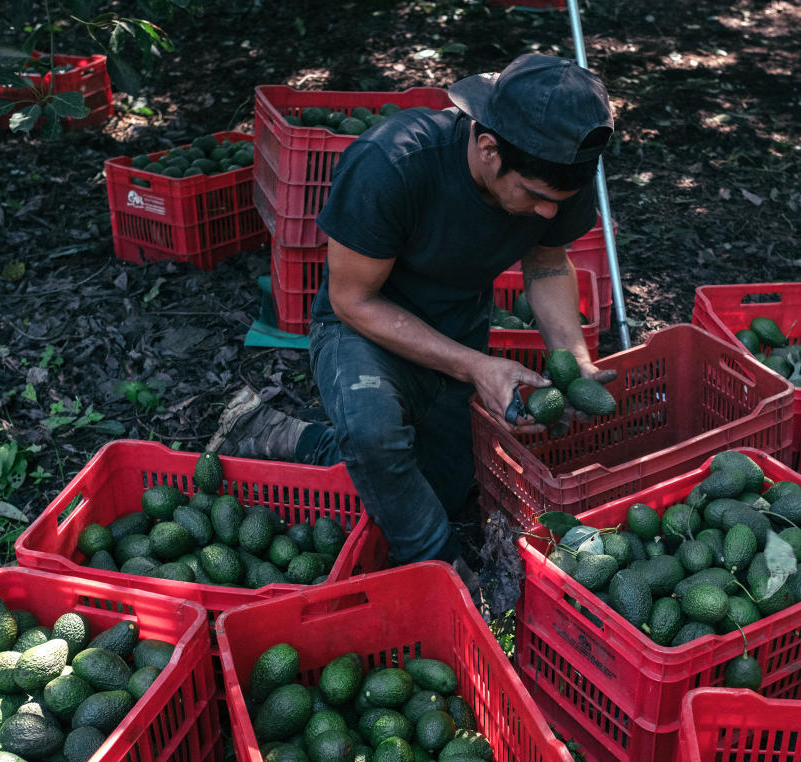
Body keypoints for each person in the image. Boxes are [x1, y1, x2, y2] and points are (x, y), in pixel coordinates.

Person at [209, 53, 617, 569]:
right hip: (364, 328)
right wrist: (476, 367)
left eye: (559, 201)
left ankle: (283, 434)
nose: (547, 213)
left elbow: (547, 261)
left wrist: (571, 357)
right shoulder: (392, 163)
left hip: (459, 326)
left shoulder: (556, 176)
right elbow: (351, 300)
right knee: (375, 439)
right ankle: (440, 570)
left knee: (433, 490)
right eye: (536, 197)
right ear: (488, 148)